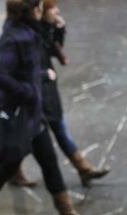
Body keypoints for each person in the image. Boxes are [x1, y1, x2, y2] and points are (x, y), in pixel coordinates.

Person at [0, 0, 96, 215]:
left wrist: (40, 74)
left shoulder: (29, 31)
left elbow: (35, 58)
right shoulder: (13, 38)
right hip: (18, 117)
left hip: (33, 116)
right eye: (38, 8)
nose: (41, 11)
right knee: (7, 168)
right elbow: (1, 77)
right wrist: (29, 90)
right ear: (29, 12)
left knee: (49, 162)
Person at [9, 0, 110, 188]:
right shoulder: (25, 35)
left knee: (58, 128)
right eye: (52, 8)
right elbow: (16, 71)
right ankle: (10, 171)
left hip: (46, 91)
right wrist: (43, 74)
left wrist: (58, 28)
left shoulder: (39, 29)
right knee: (31, 139)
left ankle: (83, 169)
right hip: (36, 94)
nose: (57, 11)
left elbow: (52, 50)